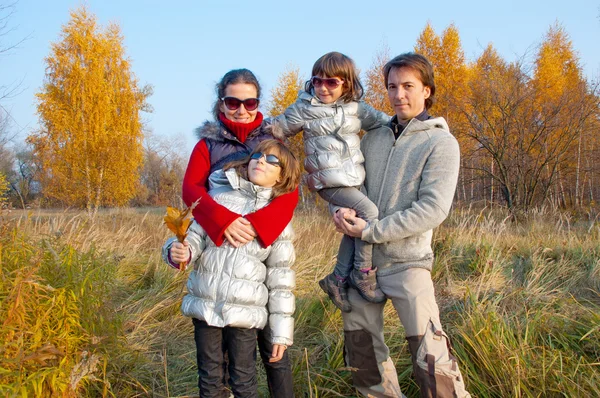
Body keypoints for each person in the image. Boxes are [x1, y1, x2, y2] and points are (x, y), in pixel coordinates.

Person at [332, 53, 471, 397]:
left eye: (408, 86)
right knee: (362, 358)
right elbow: (349, 185)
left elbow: (433, 209)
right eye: (392, 87)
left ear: (426, 90)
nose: (398, 95)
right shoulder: (373, 137)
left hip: (408, 264)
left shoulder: (440, 143)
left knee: (432, 359)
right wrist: (339, 210)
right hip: (359, 267)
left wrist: (370, 231)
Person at [181, 69, 298, 397]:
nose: (242, 109)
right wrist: (222, 222)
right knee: (226, 360)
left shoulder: (270, 140)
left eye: (250, 102)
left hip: (261, 249)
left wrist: (259, 229)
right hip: (224, 253)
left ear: (258, 102)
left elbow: (289, 192)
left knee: (275, 349)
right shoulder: (208, 143)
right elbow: (191, 190)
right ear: (221, 103)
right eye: (233, 101)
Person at [164, 140, 301, 398]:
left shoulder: (277, 218)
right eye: (258, 155)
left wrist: (281, 334)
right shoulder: (217, 198)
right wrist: (178, 250)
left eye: (272, 161)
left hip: (245, 315)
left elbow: (281, 281)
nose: (261, 161)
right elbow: (194, 238)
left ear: (281, 176)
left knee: (243, 381)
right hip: (205, 306)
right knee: (210, 379)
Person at [274, 51, 390, 313]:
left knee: (353, 226)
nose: (323, 88)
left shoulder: (356, 108)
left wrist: (410, 126)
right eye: (317, 81)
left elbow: (384, 122)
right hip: (328, 180)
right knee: (370, 213)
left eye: (331, 82)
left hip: (352, 178)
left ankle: (336, 279)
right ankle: (362, 273)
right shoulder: (305, 108)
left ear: (346, 84)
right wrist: (253, 126)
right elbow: (278, 127)